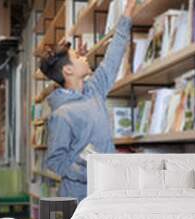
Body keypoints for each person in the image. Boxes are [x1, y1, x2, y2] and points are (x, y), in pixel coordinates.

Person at [39, 0, 136, 202]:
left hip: (107, 191)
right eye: (77, 57)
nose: (84, 58)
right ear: (68, 70)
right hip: (80, 198)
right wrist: (92, 173)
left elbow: (112, 60)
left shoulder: (94, 91)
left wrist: (126, 16)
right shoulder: (62, 114)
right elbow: (55, 161)